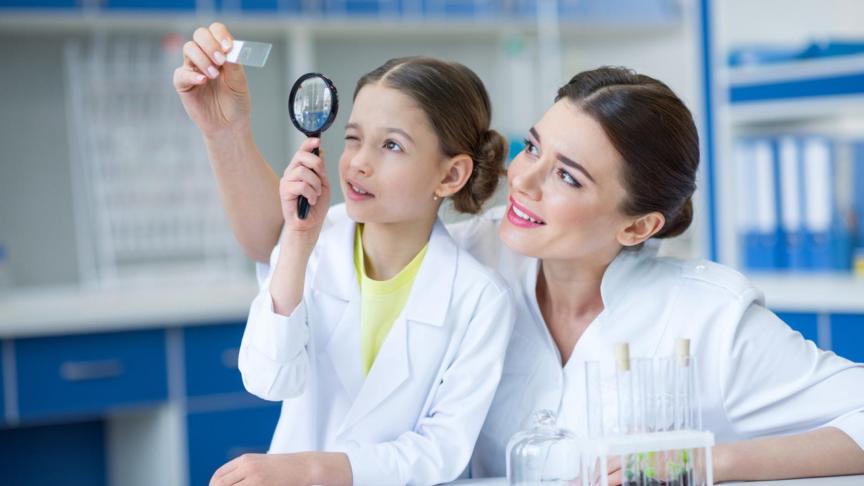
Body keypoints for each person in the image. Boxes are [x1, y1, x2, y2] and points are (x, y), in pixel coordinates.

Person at [177, 23, 864, 484]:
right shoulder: (475, 249)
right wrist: (226, 131)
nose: (524, 178)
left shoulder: (708, 317)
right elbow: (286, 240)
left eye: (568, 175)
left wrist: (704, 462)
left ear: (637, 225)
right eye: (535, 145)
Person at [175, 25, 514, 486]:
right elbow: (267, 379)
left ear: (451, 175)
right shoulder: (315, 243)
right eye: (353, 138)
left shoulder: (479, 298)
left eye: (391, 145)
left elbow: (442, 451)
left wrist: (315, 469)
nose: (358, 161)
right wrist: (296, 239)